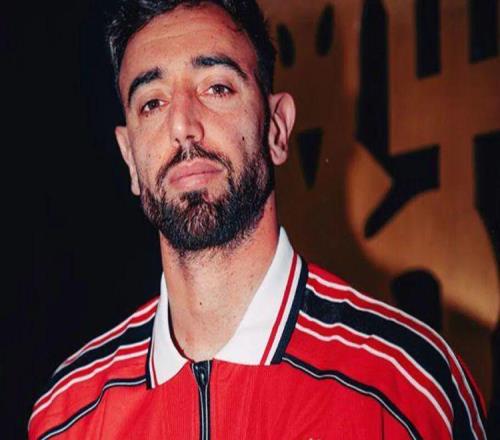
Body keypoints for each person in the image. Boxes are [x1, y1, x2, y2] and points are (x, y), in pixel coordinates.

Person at [28, 1, 487, 438]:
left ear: (277, 128)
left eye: (217, 88)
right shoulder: (67, 416)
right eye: (152, 103)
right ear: (130, 157)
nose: (182, 125)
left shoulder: (407, 389)